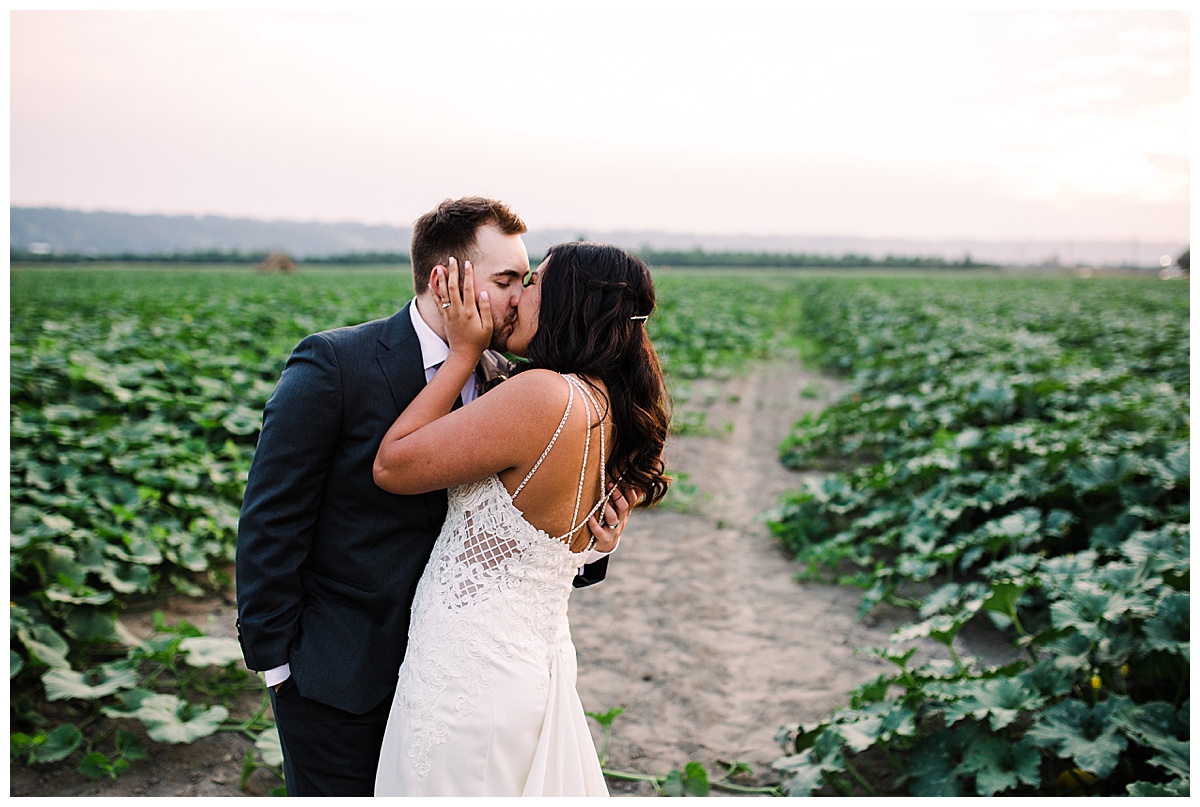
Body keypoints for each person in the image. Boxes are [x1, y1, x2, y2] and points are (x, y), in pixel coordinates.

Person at [235, 197, 632, 797]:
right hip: (339, 675)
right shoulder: (337, 363)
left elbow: (522, 524)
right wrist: (278, 664)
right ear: (445, 277)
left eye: (525, 282)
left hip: (458, 676)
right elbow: (271, 517)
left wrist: (592, 550)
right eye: (504, 281)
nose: (520, 299)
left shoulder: (512, 381)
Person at [371, 241, 671, 796]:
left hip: (469, 672)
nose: (517, 296)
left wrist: (463, 352)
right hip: (528, 659)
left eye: (533, 284)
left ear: (567, 302)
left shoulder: (541, 394)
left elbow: (392, 465)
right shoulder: (603, 401)